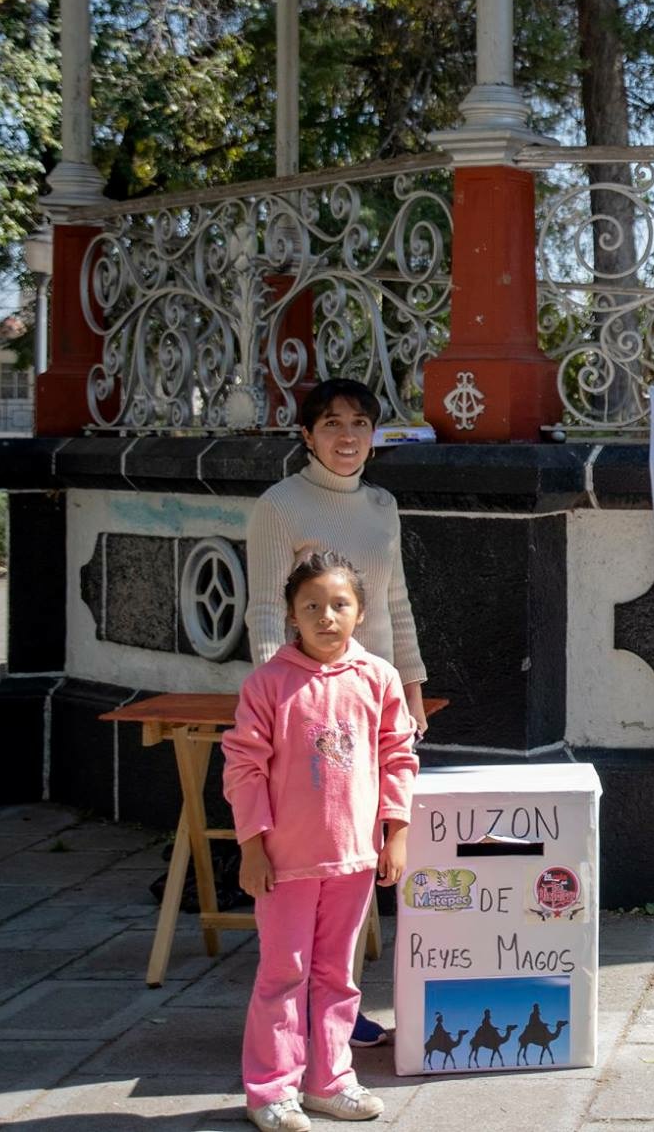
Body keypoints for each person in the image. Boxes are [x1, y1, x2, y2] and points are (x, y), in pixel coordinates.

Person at [245, 378, 427, 1050]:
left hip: (371, 699)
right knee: (310, 858)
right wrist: (279, 694)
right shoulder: (280, 505)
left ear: (375, 433)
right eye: (331, 423)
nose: (346, 435)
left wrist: (410, 687)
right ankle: (294, 1016)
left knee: (363, 855)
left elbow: (394, 603)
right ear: (306, 434)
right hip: (305, 707)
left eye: (360, 422)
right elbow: (266, 605)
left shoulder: (382, 504)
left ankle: (340, 1011)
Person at [223, 552, 417, 1130]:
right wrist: (253, 847)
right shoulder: (267, 684)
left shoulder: (378, 678)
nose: (326, 616)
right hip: (285, 863)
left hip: (355, 858)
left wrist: (396, 834)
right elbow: (243, 768)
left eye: (339, 605)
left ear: (359, 613)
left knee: (337, 975)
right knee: (284, 973)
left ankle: (329, 1080)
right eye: (312, 606)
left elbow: (398, 757)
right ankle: (269, 1091)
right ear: (290, 615)